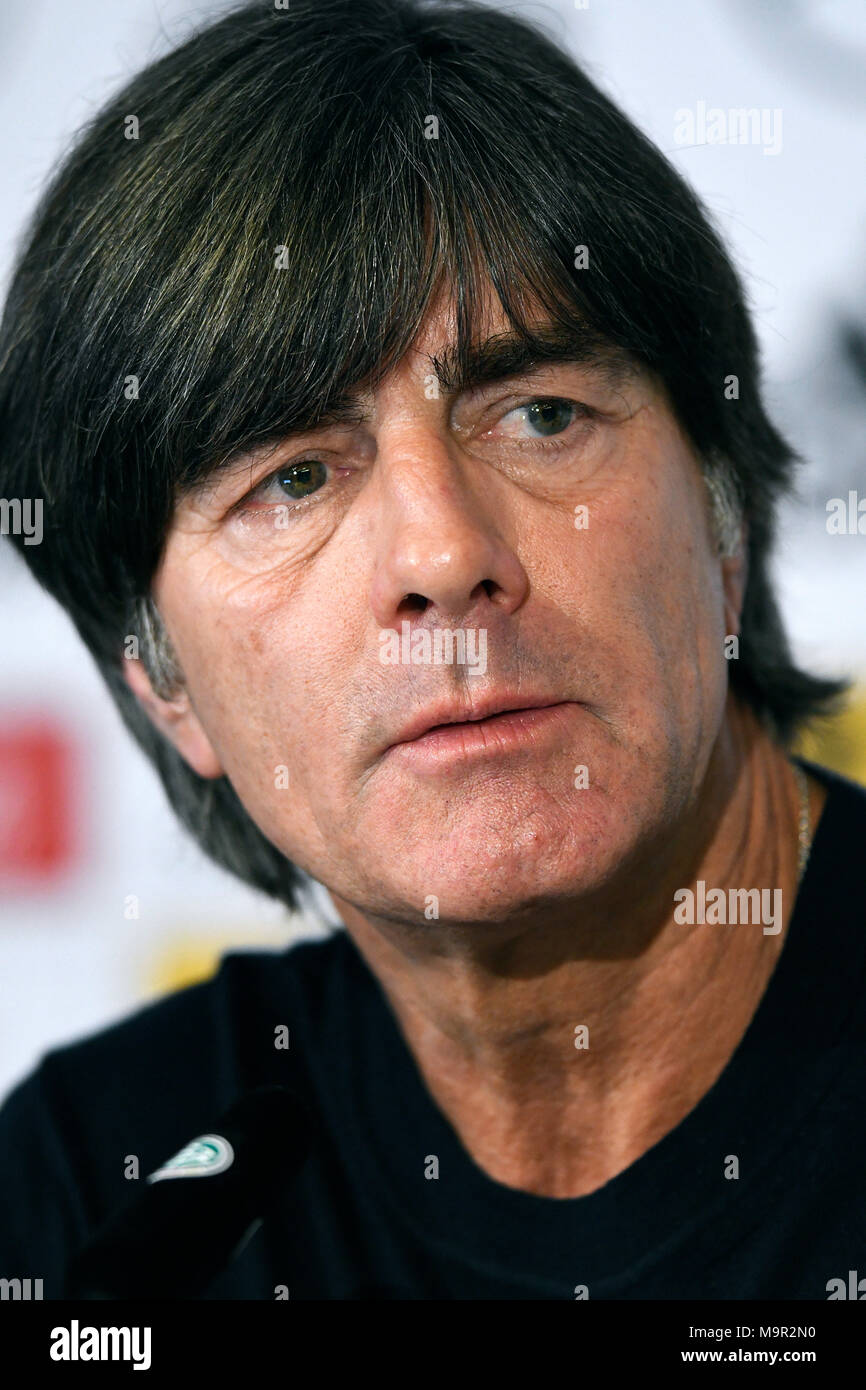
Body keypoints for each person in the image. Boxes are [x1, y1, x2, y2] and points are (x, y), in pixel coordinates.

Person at [0, 0, 863, 1301]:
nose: (439, 552)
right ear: (160, 680)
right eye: (291, 479)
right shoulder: (95, 1193)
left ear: (725, 519)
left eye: (540, 413)